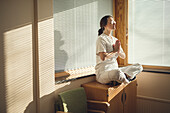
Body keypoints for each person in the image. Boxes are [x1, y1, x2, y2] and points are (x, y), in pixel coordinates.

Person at [95, 15, 143, 84]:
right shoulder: (101, 39)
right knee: (116, 73)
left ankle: (122, 77)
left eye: (114, 21)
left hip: (115, 69)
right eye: (111, 22)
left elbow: (123, 56)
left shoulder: (115, 39)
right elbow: (103, 57)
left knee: (139, 66)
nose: (114, 23)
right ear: (104, 25)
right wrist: (114, 51)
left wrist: (118, 50)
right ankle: (125, 80)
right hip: (103, 73)